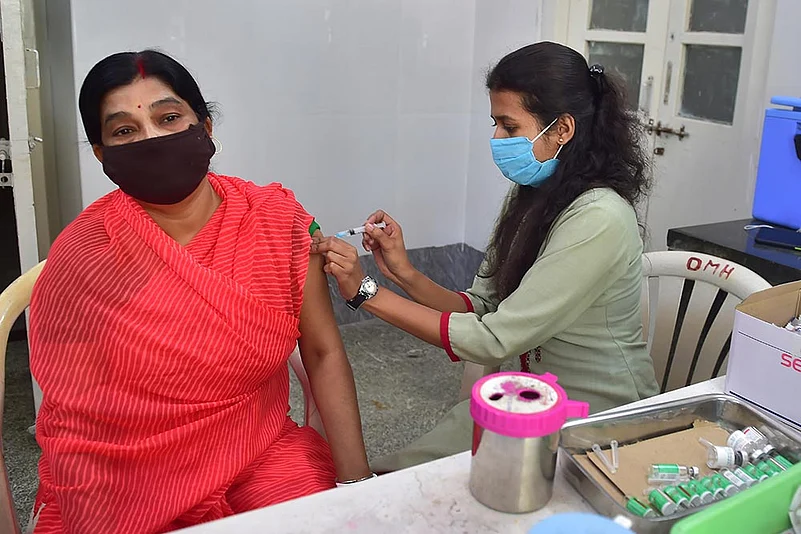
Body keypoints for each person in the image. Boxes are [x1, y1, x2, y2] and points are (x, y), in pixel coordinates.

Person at [28, 50, 371, 533]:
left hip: (255, 447)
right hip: (128, 469)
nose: (151, 139)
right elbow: (75, 408)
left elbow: (322, 351)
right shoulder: (87, 253)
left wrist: (357, 483)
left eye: (169, 118)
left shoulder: (273, 220)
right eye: (125, 130)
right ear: (102, 154)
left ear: (205, 127)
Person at [312, 41, 659, 472]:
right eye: (495, 124)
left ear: (562, 129)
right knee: (392, 474)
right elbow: (481, 306)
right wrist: (403, 272)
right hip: (530, 400)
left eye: (509, 127)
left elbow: (493, 339)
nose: (496, 139)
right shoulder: (533, 194)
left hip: (598, 422)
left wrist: (365, 293)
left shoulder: (600, 218)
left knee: (410, 485)